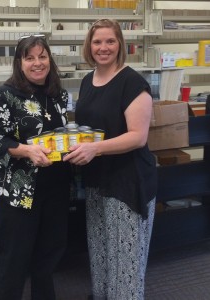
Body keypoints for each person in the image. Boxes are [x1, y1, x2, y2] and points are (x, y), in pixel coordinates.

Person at [63, 19, 157, 300]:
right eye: (97, 42)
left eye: (110, 41)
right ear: (88, 46)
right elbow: (90, 128)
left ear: (120, 45)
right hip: (97, 180)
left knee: (125, 260)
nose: (103, 48)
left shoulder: (133, 82)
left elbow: (137, 137)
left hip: (127, 182)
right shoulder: (87, 80)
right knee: (101, 252)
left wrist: (95, 149)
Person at [0, 35, 72, 300]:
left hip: (55, 188)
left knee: (47, 259)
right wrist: (27, 150)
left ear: (49, 60)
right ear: (19, 62)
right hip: (19, 191)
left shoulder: (59, 94)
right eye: (30, 57)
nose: (37, 63)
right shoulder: (5, 94)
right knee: (15, 261)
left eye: (42, 56)